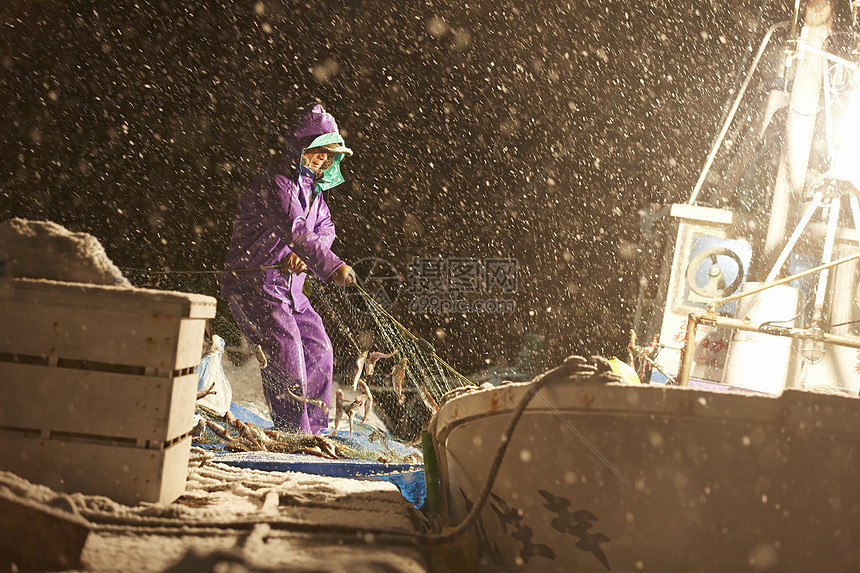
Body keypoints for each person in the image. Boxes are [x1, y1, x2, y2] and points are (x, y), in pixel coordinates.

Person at [221, 103, 356, 434]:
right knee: (286, 350)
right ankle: (293, 431)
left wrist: (306, 255)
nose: (323, 160)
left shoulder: (313, 191)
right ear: (302, 147)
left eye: (329, 155)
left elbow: (325, 229)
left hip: (290, 289)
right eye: (319, 152)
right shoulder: (278, 183)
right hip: (255, 284)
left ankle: (317, 431)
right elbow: (295, 229)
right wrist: (331, 264)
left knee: (320, 348)